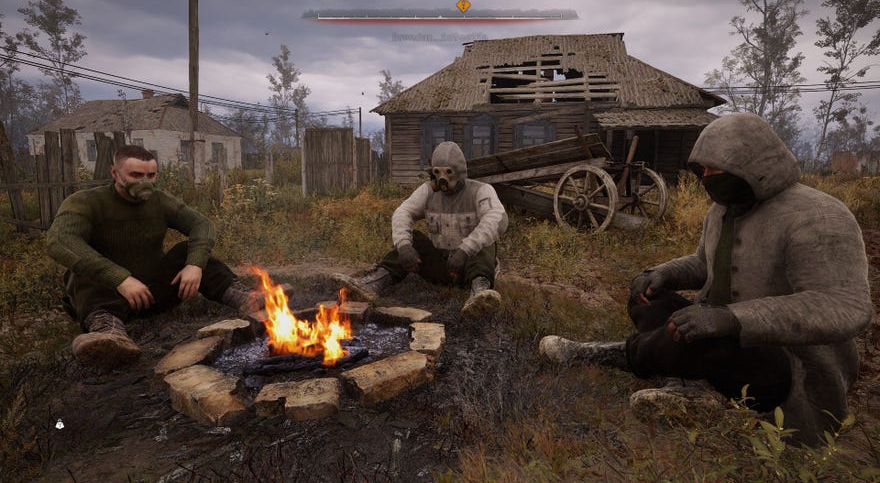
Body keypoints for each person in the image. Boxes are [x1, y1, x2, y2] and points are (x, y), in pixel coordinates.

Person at [539, 113, 873, 446]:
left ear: (752, 164)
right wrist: (663, 273)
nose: (706, 177)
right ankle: (690, 388)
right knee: (650, 299)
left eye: (715, 168)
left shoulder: (820, 215)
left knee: (702, 340)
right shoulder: (722, 210)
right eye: (703, 169)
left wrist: (732, 319)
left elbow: (845, 305)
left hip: (786, 364)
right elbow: (704, 263)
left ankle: (600, 355)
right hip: (722, 338)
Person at [47, 145, 262, 368]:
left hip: (150, 293)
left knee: (186, 251)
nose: (145, 182)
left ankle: (247, 300)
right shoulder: (86, 201)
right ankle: (108, 332)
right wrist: (120, 279)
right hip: (105, 298)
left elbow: (201, 224)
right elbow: (59, 241)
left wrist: (194, 265)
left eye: (151, 175)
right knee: (86, 266)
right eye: (135, 175)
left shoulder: (159, 201)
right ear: (114, 173)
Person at [333, 141, 508, 319]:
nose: (443, 178)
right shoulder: (427, 191)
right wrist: (404, 246)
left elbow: (497, 219)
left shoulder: (481, 191)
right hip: (441, 266)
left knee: (486, 242)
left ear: (460, 171)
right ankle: (372, 284)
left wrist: (464, 250)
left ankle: (479, 295)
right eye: (437, 172)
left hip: (468, 267)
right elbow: (403, 212)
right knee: (413, 239)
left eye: (448, 172)